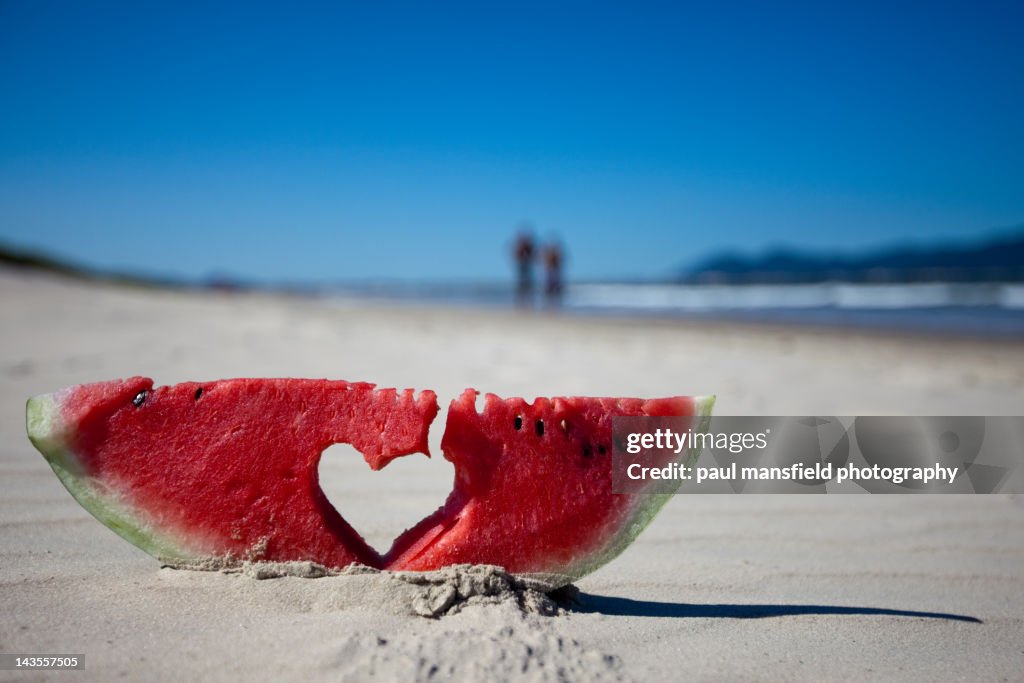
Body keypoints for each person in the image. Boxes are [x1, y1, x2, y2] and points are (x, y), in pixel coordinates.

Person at [512, 228, 536, 305]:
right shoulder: (520, 245)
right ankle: (520, 300)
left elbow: (533, 255)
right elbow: (516, 254)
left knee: (528, 283)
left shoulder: (529, 246)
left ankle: (528, 300)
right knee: (521, 283)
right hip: (522, 266)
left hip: (527, 265)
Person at [542, 240, 564, 306]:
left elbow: (560, 261)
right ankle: (549, 302)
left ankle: (556, 302)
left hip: (554, 272)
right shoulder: (548, 254)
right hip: (550, 272)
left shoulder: (556, 254)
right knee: (549, 287)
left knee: (556, 287)